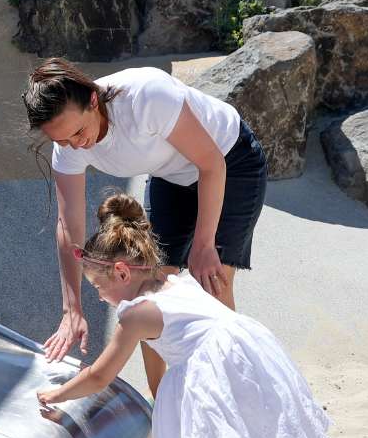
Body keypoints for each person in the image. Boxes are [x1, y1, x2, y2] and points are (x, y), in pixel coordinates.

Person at [36, 194, 331, 438]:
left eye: (98, 286)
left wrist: (56, 395)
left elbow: (99, 377)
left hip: (208, 371)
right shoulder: (170, 279)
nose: (99, 297)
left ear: (122, 273)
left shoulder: (134, 315)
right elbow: (163, 341)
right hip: (242, 352)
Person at [21, 58, 268, 376]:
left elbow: (211, 164)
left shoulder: (146, 96)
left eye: (78, 132)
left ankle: (229, 386)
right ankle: (161, 399)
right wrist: (72, 309)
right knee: (147, 288)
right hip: (171, 174)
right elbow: (68, 227)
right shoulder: (69, 147)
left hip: (230, 161)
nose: (75, 145)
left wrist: (204, 244)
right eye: (62, 140)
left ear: (93, 100)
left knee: (213, 281)